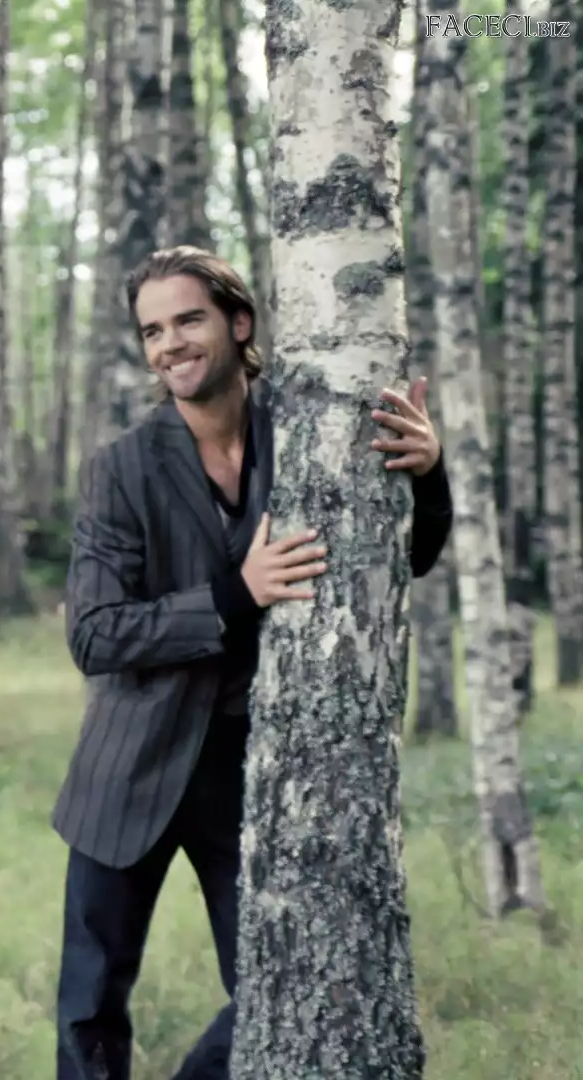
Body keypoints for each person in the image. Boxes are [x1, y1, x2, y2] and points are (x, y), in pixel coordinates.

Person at [50, 246, 452, 1080]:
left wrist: (430, 475)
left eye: (188, 320)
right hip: (129, 766)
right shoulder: (120, 469)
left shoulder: (305, 432)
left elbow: (402, 559)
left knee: (275, 985)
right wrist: (236, 595)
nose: (170, 344)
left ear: (239, 323)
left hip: (255, 768)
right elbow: (94, 634)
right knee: (90, 1009)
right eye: (152, 331)